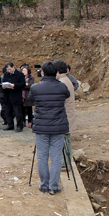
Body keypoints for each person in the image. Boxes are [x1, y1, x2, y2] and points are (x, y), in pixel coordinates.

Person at [29, 61, 70, 195]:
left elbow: (30, 100)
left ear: (42, 72)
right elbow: (67, 95)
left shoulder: (35, 88)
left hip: (41, 127)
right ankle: (53, 186)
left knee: (42, 157)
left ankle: (44, 185)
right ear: (57, 73)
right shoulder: (62, 87)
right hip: (58, 127)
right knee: (56, 157)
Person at [55, 60, 77, 160]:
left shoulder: (61, 82)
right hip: (67, 115)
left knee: (63, 141)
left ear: (57, 71)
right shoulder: (66, 79)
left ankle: (65, 164)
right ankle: (66, 162)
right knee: (66, 140)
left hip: (64, 117)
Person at [1, 62, 26, 131]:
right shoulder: (6, 74)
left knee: (18, 113)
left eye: (10, 69)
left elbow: (23, 84)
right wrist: (3, 86)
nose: (9, 71)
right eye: (7, 70)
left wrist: (14, 85)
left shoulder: (20, 74)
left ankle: (19, 126)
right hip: (7, 95)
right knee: (8, 112)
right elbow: (3, 82)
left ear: (13, 67)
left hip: (16, 96)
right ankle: (10, 125)